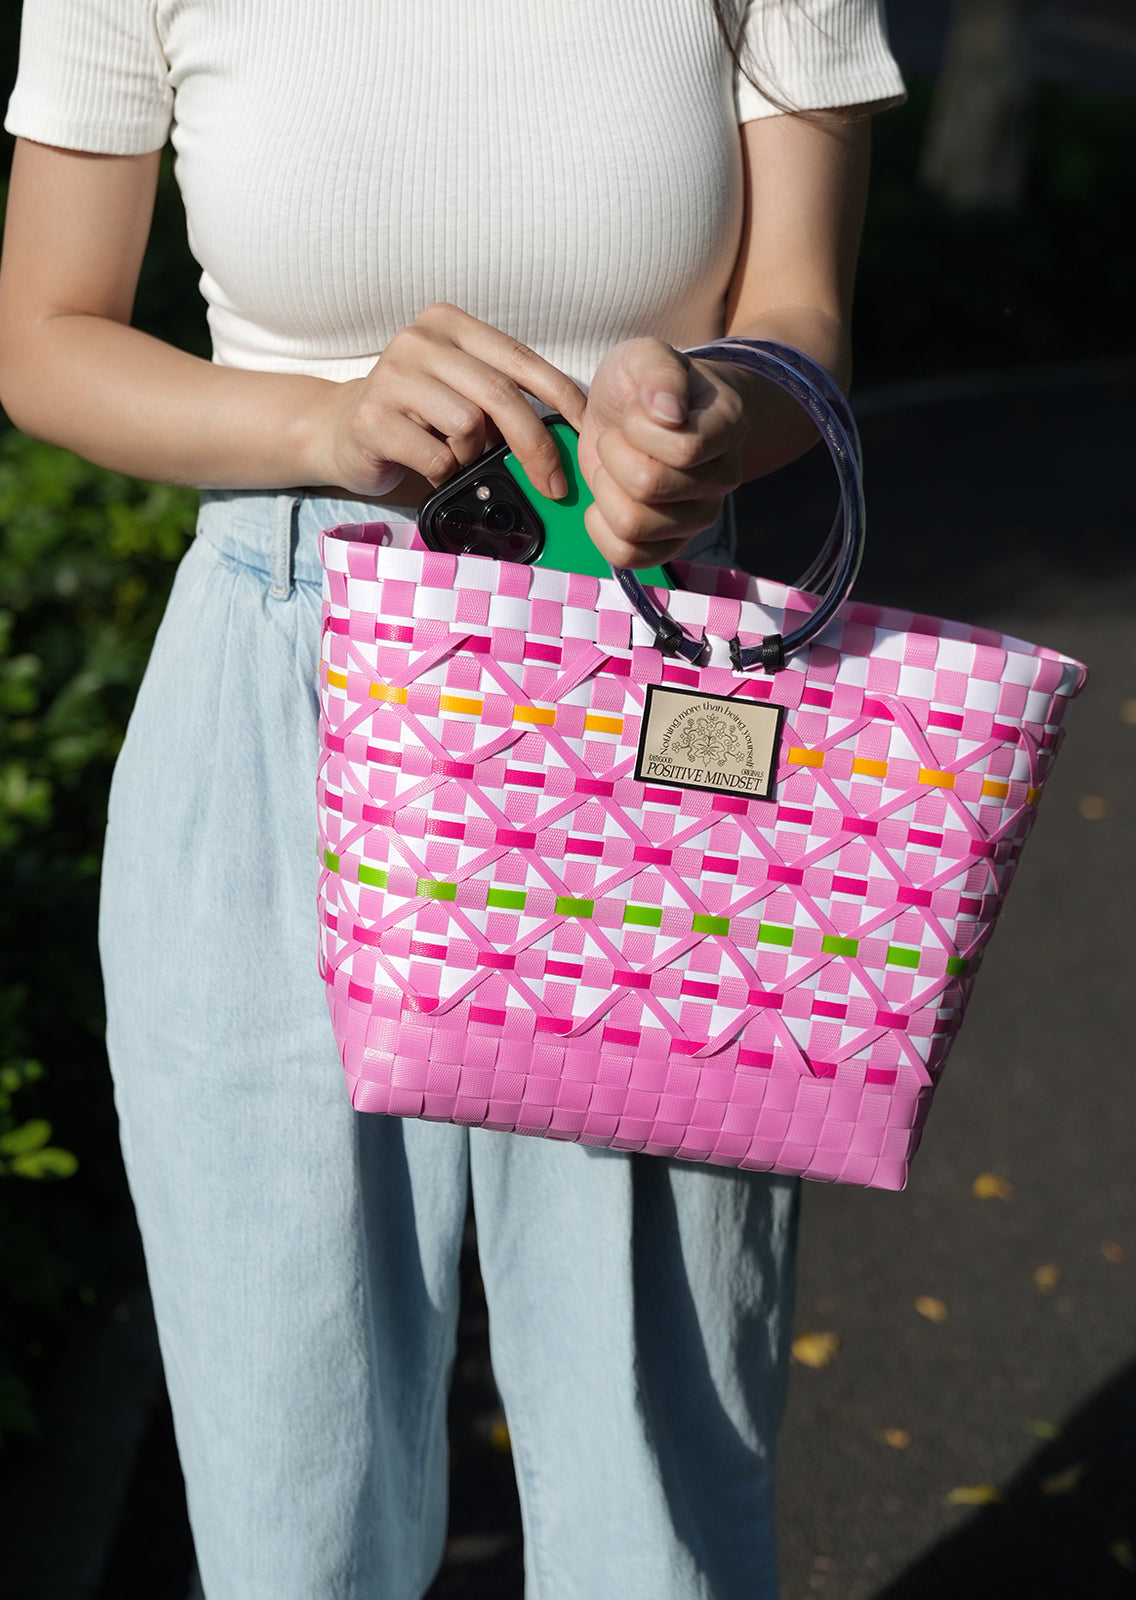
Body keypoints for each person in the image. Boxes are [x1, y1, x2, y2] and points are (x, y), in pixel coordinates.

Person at [0, 3, 903, 1596]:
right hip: (281, 693)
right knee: (295, 1504)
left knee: (656, 1500)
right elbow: (46, 337)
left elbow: (800, 320)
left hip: (640, 713)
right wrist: (316, 423)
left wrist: (705, 425)